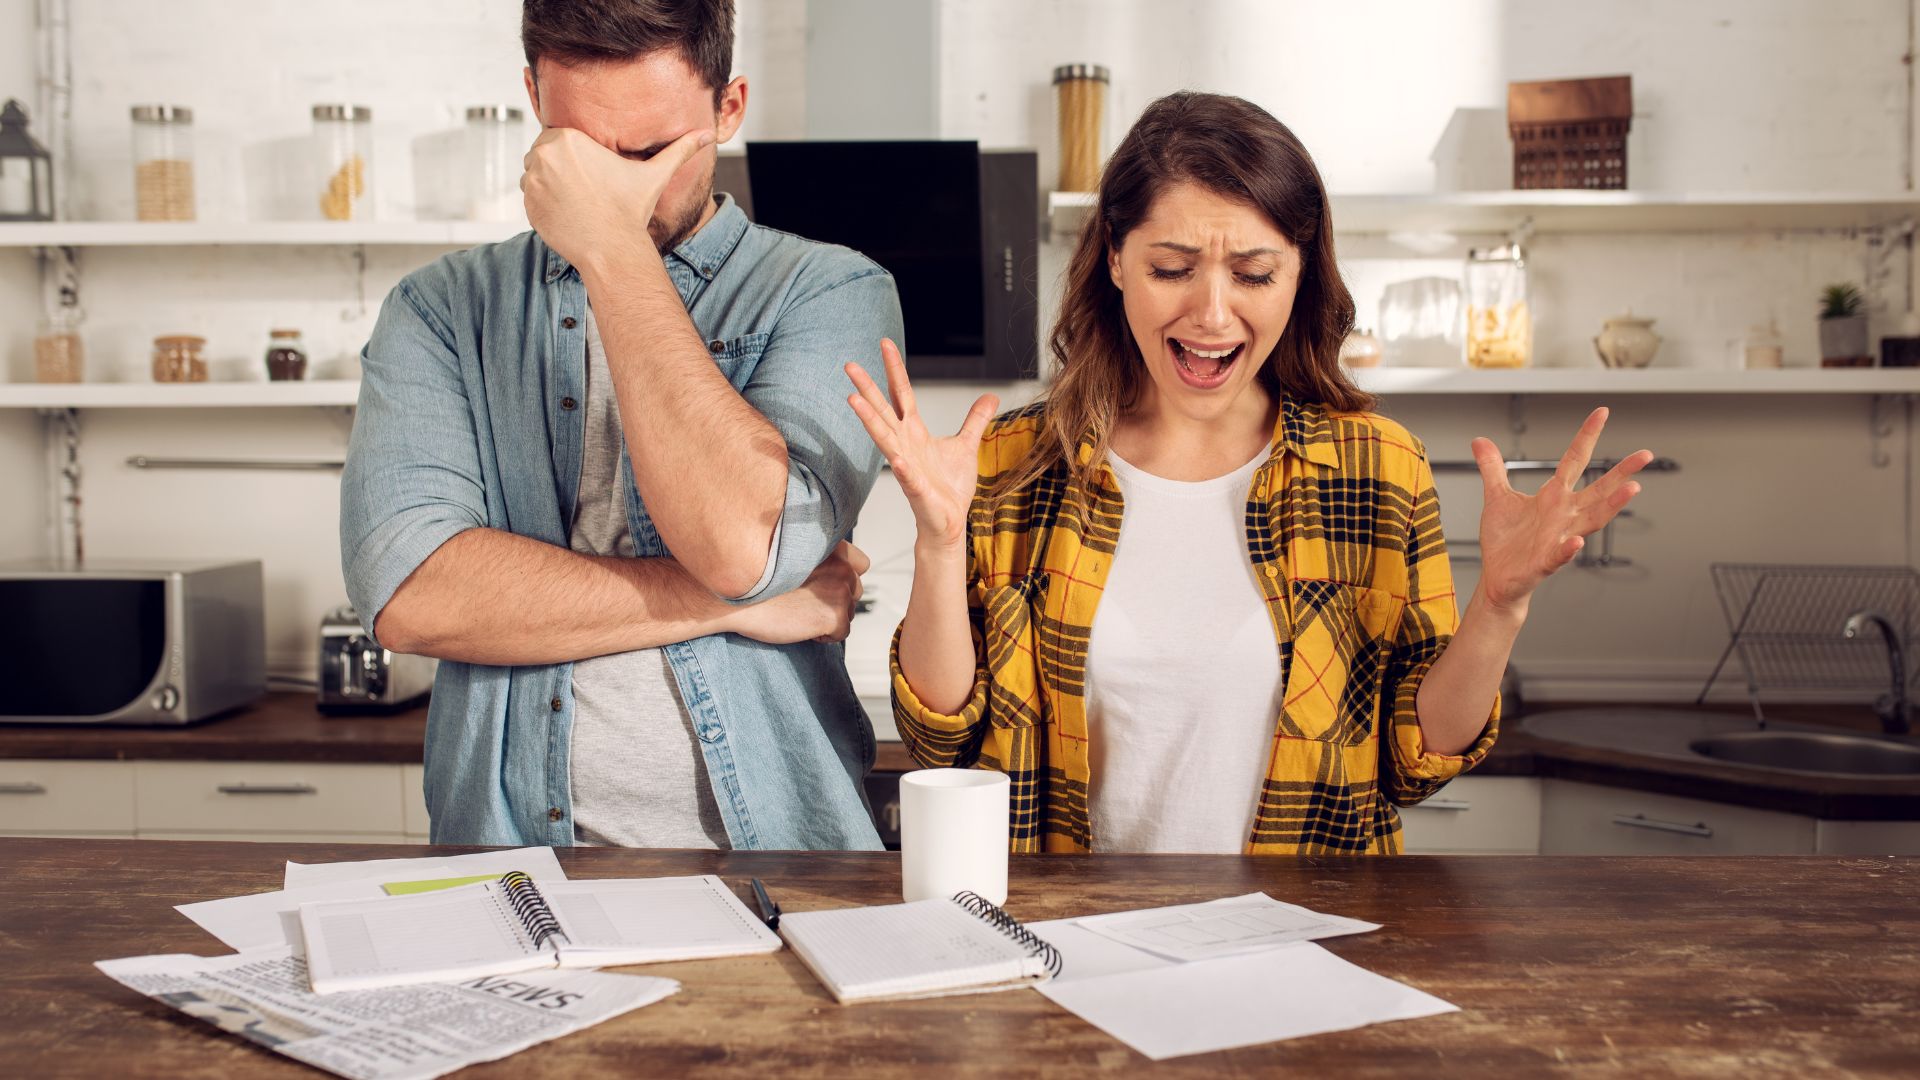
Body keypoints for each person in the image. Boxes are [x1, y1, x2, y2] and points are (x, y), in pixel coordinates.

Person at [848, 92, 1652, 855]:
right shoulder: (1014, 462)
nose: (1212, 313)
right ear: (1116, 263)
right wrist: (938, 543)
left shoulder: (1377, 467)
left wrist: (1500, 605)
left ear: (1301, 277)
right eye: (1172, 268)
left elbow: (1417, 762)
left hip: (1303, 940)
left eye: (1255, 275)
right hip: (1070, 938)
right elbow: (937, 737)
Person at [341, 0, 901, 850]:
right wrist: (724, 608)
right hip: (513, 863)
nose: (618, 189)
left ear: (730, 108)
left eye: (648, 153)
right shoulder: (438, 311)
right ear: (533, 95)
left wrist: (610, 251)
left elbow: (743, 550)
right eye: (584, 154)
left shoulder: (832, 291)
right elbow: (412, 595)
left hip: (784, 859)